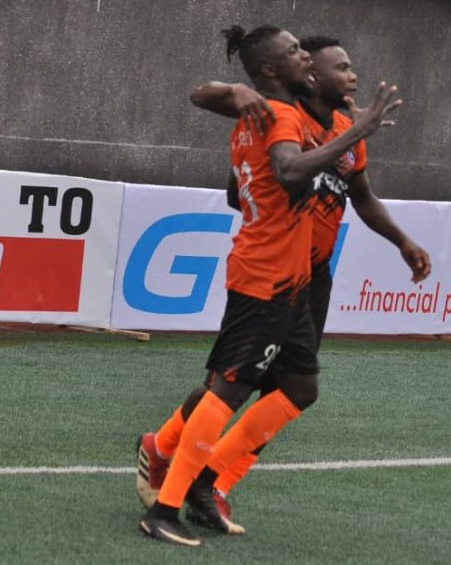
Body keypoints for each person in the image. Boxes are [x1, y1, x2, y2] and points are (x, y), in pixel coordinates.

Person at [137, 38, 431, 522]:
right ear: (310, 75)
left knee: (291, 387)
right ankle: (165, 451)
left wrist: (403, 241)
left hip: (311, 277)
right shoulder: (281, 115)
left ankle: (213, 482)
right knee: (230, 383)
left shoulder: (344, 130)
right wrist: (236, 92)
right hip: (272, 269)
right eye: (341, 67)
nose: (353, 76)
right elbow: (239, 174)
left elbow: (362, 196)